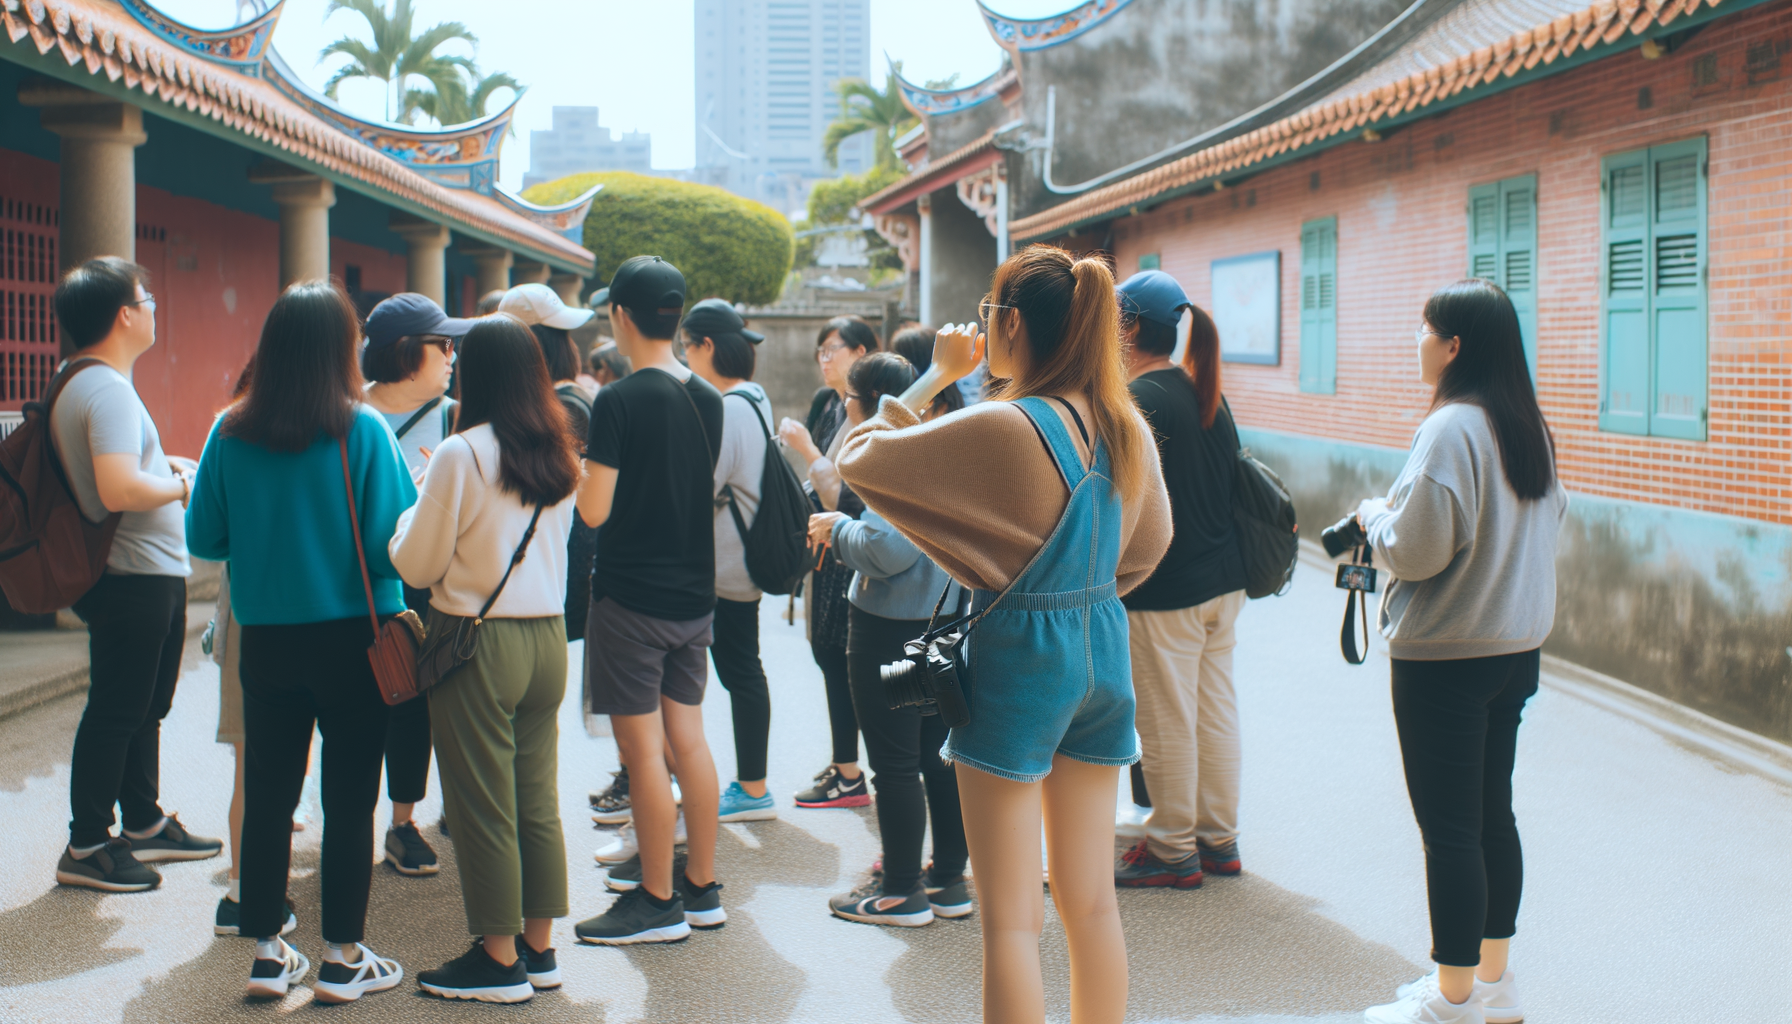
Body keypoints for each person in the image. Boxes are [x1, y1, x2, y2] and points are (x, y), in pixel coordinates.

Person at [837, 245, 1171, 1024]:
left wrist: (934, 375)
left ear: (1009, 324)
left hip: (1022, 660)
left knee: (1012, 922)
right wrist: (1077, 592)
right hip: (1102, 648)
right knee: (1090, 905)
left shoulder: (1004, 425)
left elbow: (859, 459)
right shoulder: (1126, 426)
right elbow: (1150, 546)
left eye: (990, 318)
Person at [187, 280, 416, 1003]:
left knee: (269, 796)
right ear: (343, 350)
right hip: (356, 639)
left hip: (270, 642)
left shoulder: (229, 430)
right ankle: (343, 959)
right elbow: (395, 550)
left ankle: (266, 950)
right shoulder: (367, 429)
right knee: (351, 801)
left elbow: (204, 537)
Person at [1357, 280, 1565, 1024]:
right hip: (1515, 651)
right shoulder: (1528, 427)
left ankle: (1450, 1001)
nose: (1418, 340)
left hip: (1446, 656)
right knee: (1490, 817)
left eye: (1425, 329)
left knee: (1448, 830)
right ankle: (1495, 987)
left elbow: (1415, 550)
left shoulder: (1449, 430)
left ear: (1454, 346)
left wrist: (1373, 516)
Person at [389, 314, 581, 1003]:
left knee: (481, 805)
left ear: (474, 376)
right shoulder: (562, 453)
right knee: (535, 799)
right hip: (547, 640)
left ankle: (496, 962)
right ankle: (538, 947)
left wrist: (409, 515)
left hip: (477, 638)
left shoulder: (460, 453)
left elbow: (417, 559)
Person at [48, 257, 223, 895]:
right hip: (132, 574)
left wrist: (163, 462)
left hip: (138, 573)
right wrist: (179, 483)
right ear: (125, 314)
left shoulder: (83, 379)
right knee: (119, 708)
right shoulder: (108, 389)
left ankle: (143, 822)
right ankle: (88, 843)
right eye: (147, 299)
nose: (153, 308)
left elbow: (116, 473)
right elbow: (118, 487)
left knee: (143, 705)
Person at [571, 256, 726, 945]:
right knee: (688, 741)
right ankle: (702, 888)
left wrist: (579, 471)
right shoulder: (709, 398)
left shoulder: (619, 400)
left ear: (621, 317)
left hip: (631, 600)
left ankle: (657, 902)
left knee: (642, 755)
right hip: (694, 596)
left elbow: (595, 511)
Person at [809, 352, 973, 927]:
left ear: (872, 403)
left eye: (849, 403)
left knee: (898, 765)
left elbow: (886, 551)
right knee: (934, 756)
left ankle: (901, 891)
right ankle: (948, 880)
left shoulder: (899, 454)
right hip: (942, 621)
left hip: (892, 629)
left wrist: (839, 528)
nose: (845, 413)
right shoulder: (953, 442)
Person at [1108, 272, 1250, 890]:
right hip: (1224, 582)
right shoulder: (1203, 389)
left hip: (1166, 591)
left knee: (1166, 721)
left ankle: (1171, 849)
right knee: (1213, 711)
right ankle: (1218, 840)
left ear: (1131, 328)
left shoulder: (1135, 402)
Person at [360, 292, 476, 878]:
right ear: (407, 353)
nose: (453, 356)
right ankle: (349, 818)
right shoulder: (347, 415)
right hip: (357, 585)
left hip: (427, 586)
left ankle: (402, 822)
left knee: (414, 703)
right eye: (442, 345)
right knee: (353, 709)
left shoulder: (458, 416)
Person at [682, 298, 779, 823]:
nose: (684, 356)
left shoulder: (730, 407)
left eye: (687, 347)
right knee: (743, 669)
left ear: (707, 346)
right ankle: (750, 783)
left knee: (738, 671)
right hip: (743, 557)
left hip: (726, 564)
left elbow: (705, 484)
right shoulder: (755, 398)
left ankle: (752, 787)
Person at [776, 315, 878, 809]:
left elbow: (847, 495)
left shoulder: (872, 413)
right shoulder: (828, 404)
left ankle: (850, 772)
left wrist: (806, 448)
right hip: (824, 546)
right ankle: (845, 764)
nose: (824, 358)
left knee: (842, 661)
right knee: (826, 656)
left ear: (862, 353)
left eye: (832, 349)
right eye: (820, 350)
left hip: (849, 546)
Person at [499, 282, 600, 645]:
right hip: (556, 561)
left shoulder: (564, 406)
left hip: (561, 562)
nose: (569, 343)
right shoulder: (564, 400)